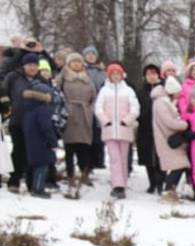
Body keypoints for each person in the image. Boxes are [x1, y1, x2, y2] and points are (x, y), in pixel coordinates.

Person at [94, 62, 139, 199]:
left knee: (123, 158)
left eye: (117, 73)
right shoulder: (104, 91)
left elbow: (135, 108)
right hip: (109, 130)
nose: (115, 76)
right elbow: (98, 108)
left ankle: (122, 184)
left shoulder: (128, 90)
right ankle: (117, 185)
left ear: (122, 75)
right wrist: (105, 120)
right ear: (109, 75)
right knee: (114, 158)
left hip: (124, 129)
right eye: (113, 73)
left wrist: (127, 120)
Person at [3, 52, 42, 192]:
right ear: (24, 65)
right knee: (18, 150)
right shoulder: (13, 77)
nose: (32, 68)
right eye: (29, 65)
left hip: (36, 122)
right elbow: (3, 90)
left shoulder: (41, 79)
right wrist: (7, 106)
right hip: (17, 119)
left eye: (35, 65)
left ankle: (32, 182)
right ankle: (14, 181)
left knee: (32, 152)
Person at [60, 53, 96, 191]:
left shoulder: (88, 79)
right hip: (69, 114)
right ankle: (70, 176)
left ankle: (84, 173)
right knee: (69, 148)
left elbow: (94, 96)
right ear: (69, 64)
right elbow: (56, 92)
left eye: (78, 62)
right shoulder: (64, 78)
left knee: (84, 147)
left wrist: (90, 110)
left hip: (85, 115)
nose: (76, 64)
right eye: (73, 62)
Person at [151, 76, 189, 200]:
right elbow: (169, 122)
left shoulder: (164, 101)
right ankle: (168, 191)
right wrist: (184, 124)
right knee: (180, 165)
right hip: (166, 139)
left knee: (179, 165)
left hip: (169, 139)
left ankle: (168, 190)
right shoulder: (161, 103)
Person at [20, 78, 56, 197]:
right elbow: (46, 127)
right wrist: (53, 141)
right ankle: (38, 189)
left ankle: (31, 186)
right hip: (42, 142)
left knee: (33, 165)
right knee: (42, 166)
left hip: (30, 141)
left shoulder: (27, 108)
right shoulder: (43, 109)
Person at [135, 63, 163, 193]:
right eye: (149, 74)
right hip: (145, 128)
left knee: (160, 156)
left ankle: (161, 182)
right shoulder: (140, 92)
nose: (151, 77)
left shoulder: (163, 90)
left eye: (154, 74)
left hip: (161, 128)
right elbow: (136, 109)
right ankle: (152, 182)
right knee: (147, 157)